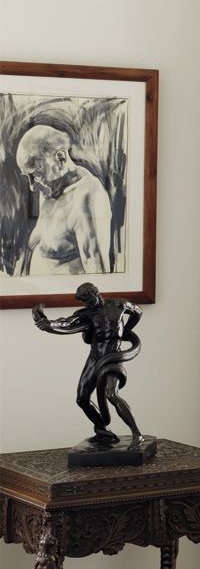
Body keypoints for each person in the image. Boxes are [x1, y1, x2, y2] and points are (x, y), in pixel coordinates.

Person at [33, 283, 144, 447]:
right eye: (83, 301)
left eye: (86, 298)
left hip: (113, 358)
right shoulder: (86, 314)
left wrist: (126, 330)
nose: (86, 303)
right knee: (82, 398)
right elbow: (66, 323)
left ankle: (136, 434)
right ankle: (102, 430)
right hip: (94, 359)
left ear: (95, 292)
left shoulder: (118, 304)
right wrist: (48, 323)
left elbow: (137, 312)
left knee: (111, 394)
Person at [14, 123, 112, 276]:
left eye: (36, 175)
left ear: (60, 158)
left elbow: (98, 274)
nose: (32, 187)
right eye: (28, 177)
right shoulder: (52, 186)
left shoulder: (89, 195)